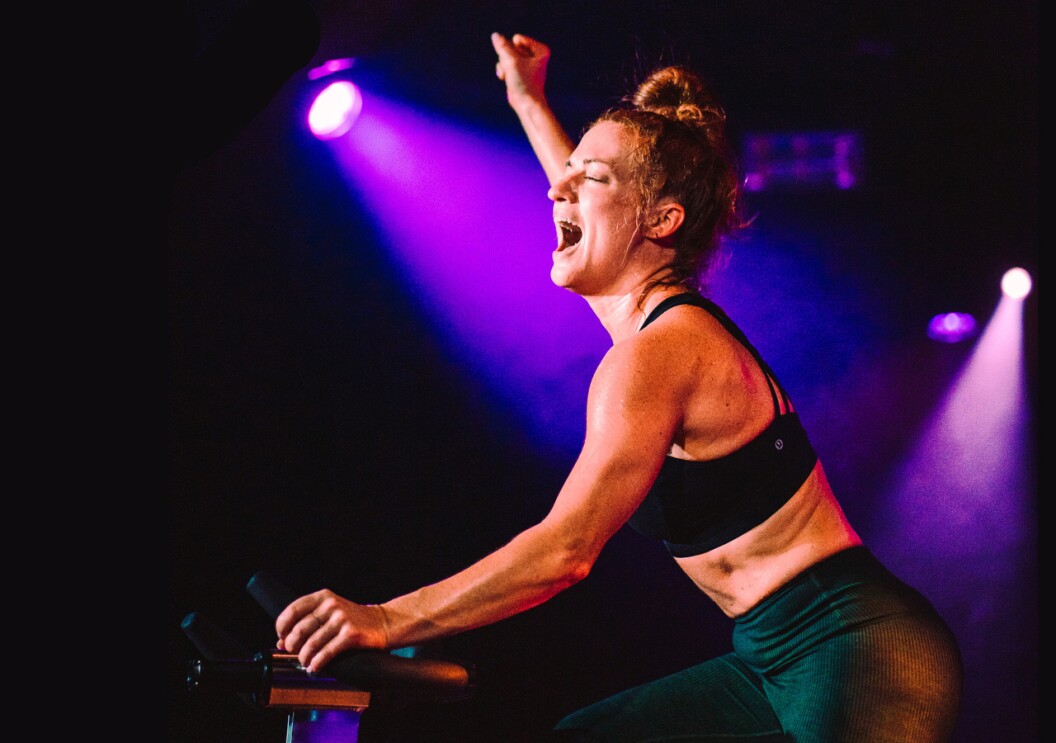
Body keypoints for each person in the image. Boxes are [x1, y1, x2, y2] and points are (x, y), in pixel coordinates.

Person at [274, 31, 963, 743]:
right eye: (566, 174)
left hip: (859, 650)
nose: (556, 189)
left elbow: (562, 553)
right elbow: (590, 199)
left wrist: (385, 617)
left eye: (589, 179)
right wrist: (528, 101)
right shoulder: (642, 317)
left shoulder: (661, 355)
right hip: (769, 657)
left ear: (662, 221)